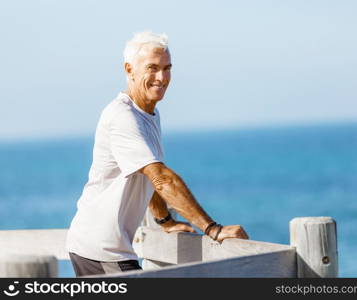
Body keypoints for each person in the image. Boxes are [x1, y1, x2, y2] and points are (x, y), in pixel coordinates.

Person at [66, 31, 249, 277]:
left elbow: (144, 174)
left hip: (99, 246)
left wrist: (165, 220)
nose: (161, 77)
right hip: (102, 250)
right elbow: (161, 178)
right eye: (152, 68)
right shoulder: (123, 117)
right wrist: (212, 229)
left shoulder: (149, 114)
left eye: (167, 68)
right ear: (129, 69)